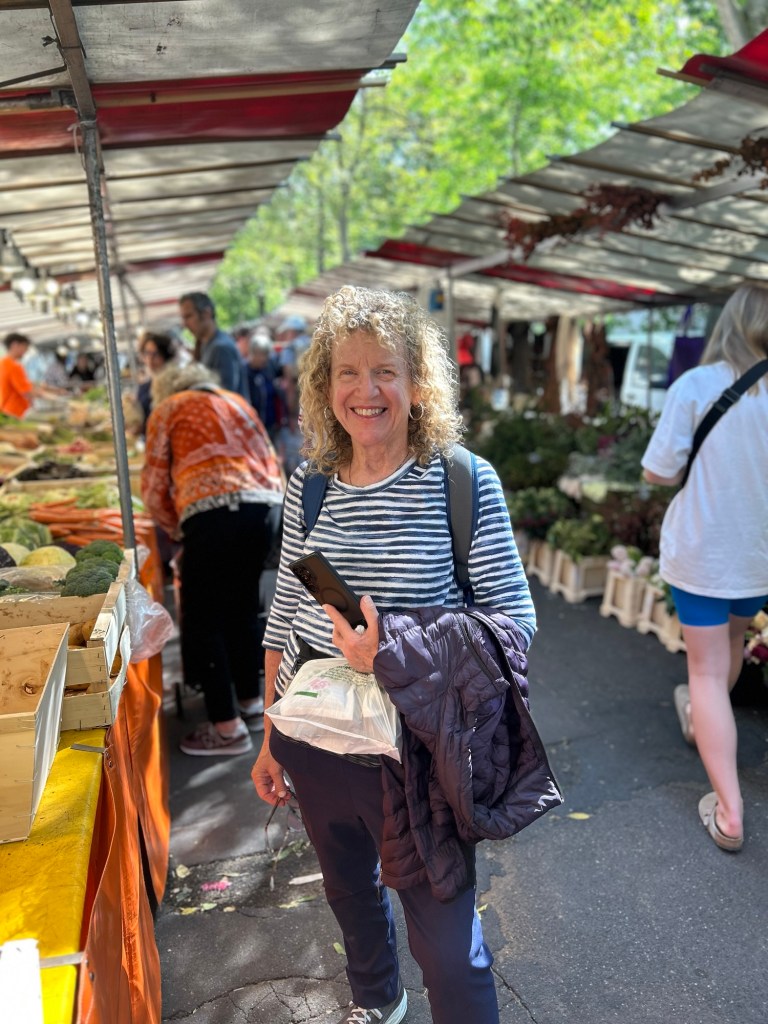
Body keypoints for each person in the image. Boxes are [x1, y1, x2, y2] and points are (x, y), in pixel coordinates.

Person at [252, 286, 536, 1024]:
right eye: (347, 372)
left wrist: (393, 649)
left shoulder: (461, 481)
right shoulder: (310, 486)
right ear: (325, 387)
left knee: (449, 947)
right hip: (317, 739)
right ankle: (379, 1000)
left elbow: (514, 621)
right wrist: (270, 736)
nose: (366, 390)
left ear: (417, 383)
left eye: (385, 370)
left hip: (417, 752)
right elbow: (284, 619)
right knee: (349, 891)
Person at [641, 284, 768, 853]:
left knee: (707, 672)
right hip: (758, 555)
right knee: (732, 646)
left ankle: (730, 812)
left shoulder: (696, 385)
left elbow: (659, 472)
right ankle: (701, 719)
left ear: (729, 324)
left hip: (703, 551)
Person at [141, 361, 284, 756]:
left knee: (204, 619)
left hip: (212, 513)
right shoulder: (236, 401)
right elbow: (272, 460)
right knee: (243, 609)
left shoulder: (169, 408)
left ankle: (226, 728)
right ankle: (251, 704)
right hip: (265, 509)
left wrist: (176, 529)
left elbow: (152, 486)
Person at [178, 291, 248, 398]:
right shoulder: (205, 345)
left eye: (189, 316)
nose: (185, 324)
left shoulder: (221, 348)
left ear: (207, 313)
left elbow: (224, 397)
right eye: (183, 318)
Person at [135, 331, 178, 433]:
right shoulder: (144, 387)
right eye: (147, 353)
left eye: (156, 354)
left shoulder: (174, 383)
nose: (150, 359)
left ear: (165, 355)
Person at [0, 332, 42, 417]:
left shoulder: (3, 363)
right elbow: (26, 391)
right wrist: (51, 396)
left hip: (5, 409)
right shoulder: (13, 366)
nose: (25, 352)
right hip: (14, 412)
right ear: (15, 345)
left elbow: (22, 384)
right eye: (24, 347)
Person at [246, 331, 277, 437]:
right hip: (252, 426)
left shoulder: (269, 370)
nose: (263, 358)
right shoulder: (244, 371)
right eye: (260, 354)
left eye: (266, 354)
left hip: (270, 425)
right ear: (252, 353)